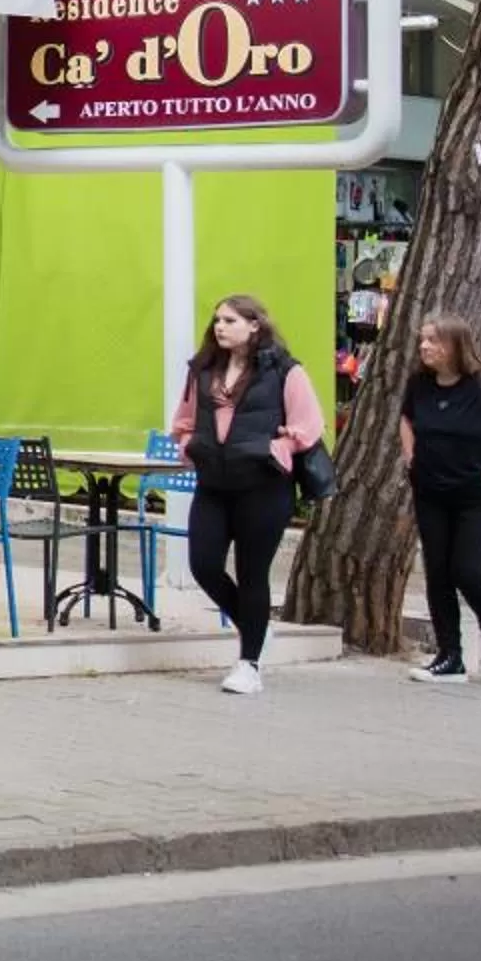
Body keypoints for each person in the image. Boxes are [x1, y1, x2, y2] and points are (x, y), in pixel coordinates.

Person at [172, 294, 326, 696]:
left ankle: (249, 663)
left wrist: (280, 448)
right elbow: (184, 419)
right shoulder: (203, 370)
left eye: (230, 320)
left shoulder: (284, 371)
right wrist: (188, 445)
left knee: (252, 572)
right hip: (214, 483)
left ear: (254, 325)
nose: (220, 326)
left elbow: (309, 425)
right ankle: (254, 626)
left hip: (263, 485)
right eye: (217, 320)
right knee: (203, 564)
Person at [400, 314, 481, 683]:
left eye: (433, 340)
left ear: (455, 345)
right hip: (432, 490)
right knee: (437, 572)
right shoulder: (420, 384)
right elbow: (406, 418)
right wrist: (411, 455)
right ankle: (451, 656)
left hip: (480, 493)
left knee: (466, 569)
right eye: (423, 340)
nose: (424, 347)